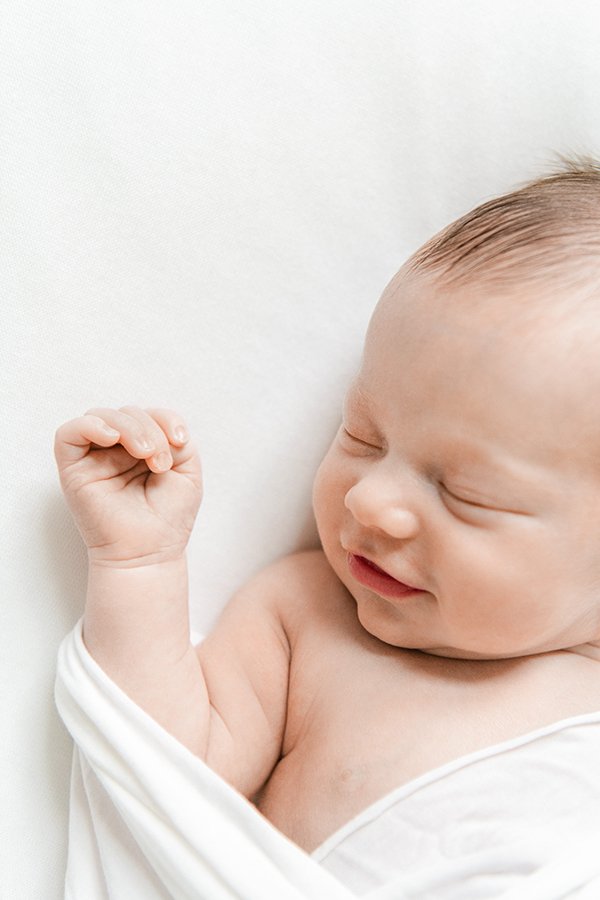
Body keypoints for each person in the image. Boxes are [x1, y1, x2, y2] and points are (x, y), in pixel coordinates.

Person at [54, 161, 600, 881]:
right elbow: (162, 771)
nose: (369, 501)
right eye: (362, 436)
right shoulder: (307, 616)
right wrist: (138, 563)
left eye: (466, 492)